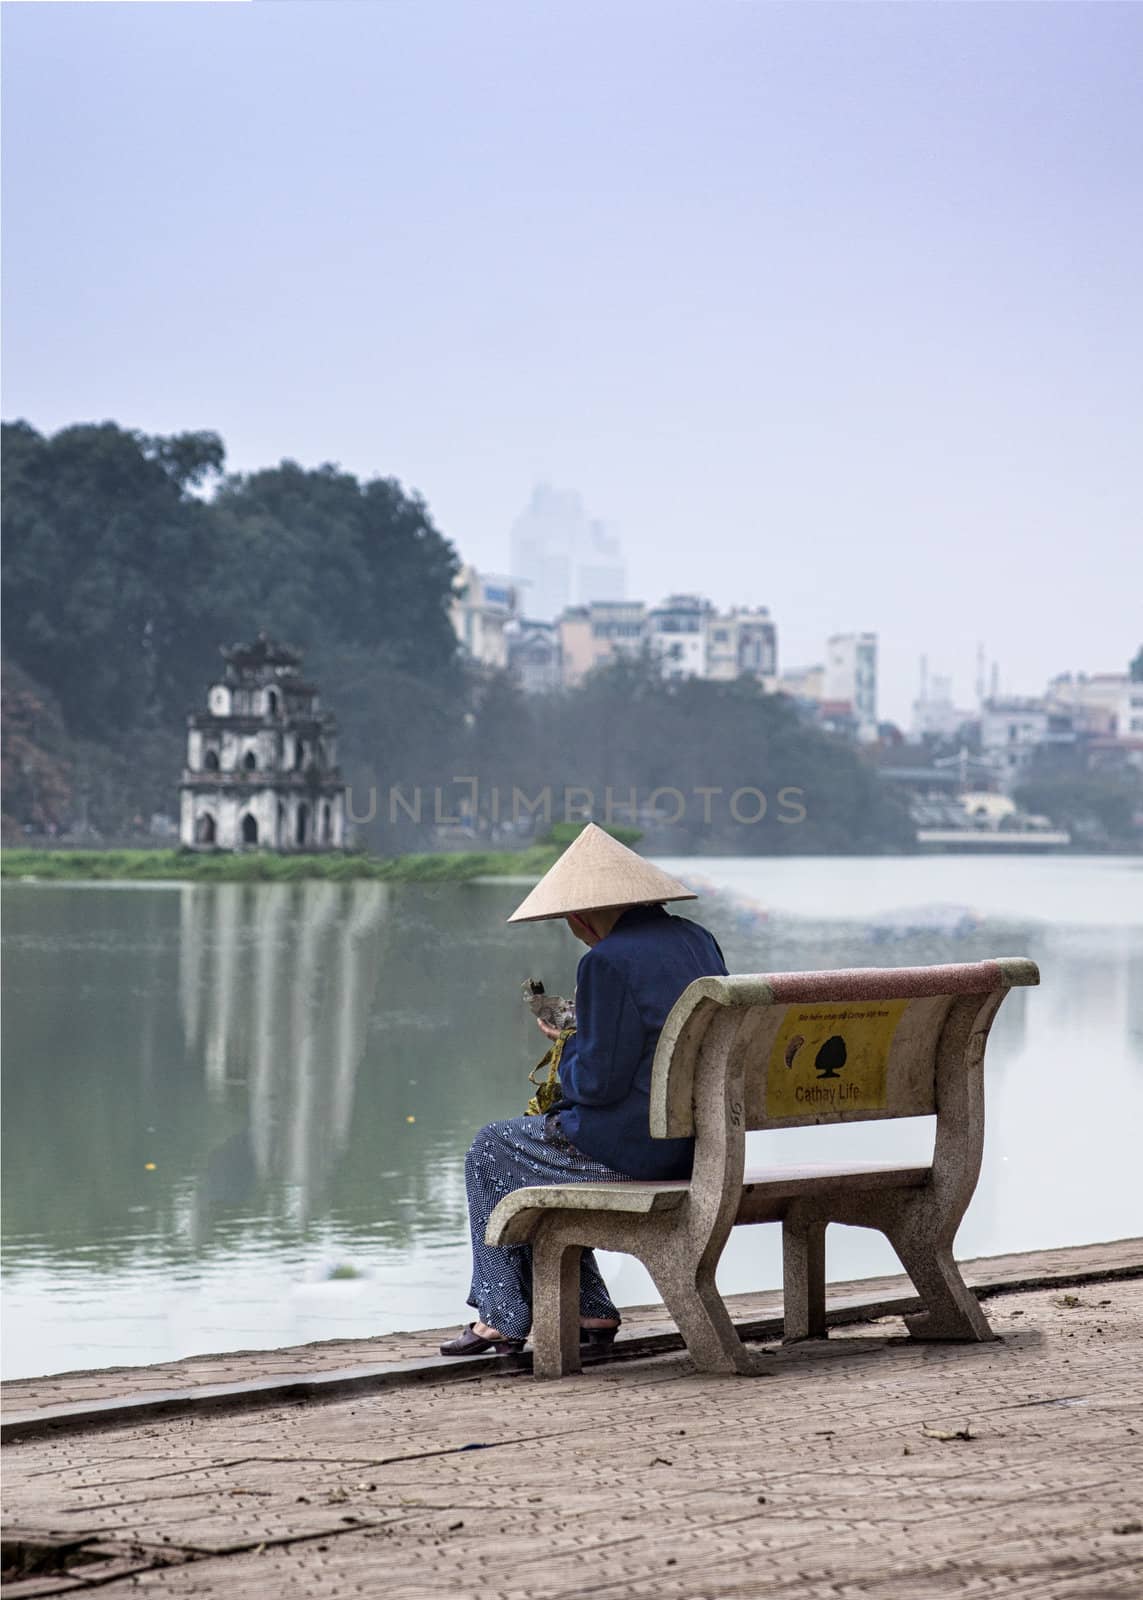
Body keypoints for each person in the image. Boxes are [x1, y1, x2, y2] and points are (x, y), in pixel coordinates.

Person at [440, 823, 728, 1356]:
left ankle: (500, 1316)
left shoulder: (605, 960)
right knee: (523, 1158)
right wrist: (589, 1027)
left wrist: (571, 1046)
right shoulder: (697, 941)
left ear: (580, 918)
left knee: (492, 1149)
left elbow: (595, 1085)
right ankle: (590, 1310)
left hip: (642, 1149)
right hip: (705, 1142)